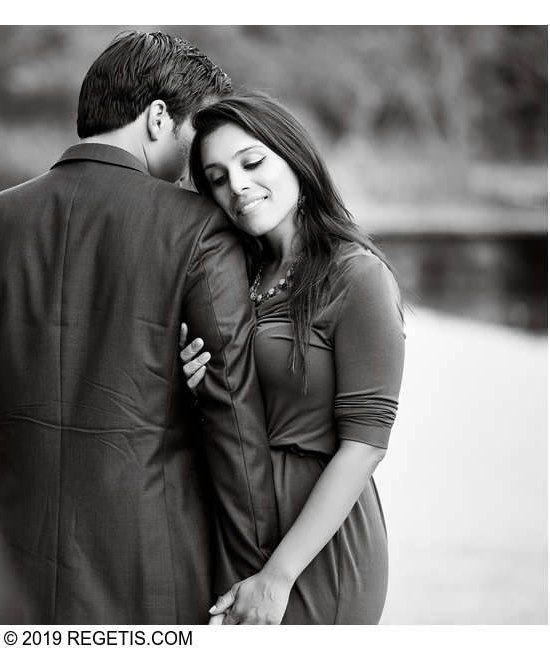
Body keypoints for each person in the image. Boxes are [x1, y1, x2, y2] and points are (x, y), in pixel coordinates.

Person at [0, 33, 279, 624]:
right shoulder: (200, 229)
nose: (197, 166)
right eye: (194, 134)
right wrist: (256, 569)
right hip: (158, 580)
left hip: (15, 580)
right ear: (157, 118)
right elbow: (233, 417)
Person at [179, 92, 406, 624]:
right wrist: (193, 387)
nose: (236, 185)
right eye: (216, 177)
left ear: (295, 157)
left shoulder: (357, 275)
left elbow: (365, 446)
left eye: (252, 162)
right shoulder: (232, 275)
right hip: (234, 518)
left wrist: (278, 577)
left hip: (316, 548)